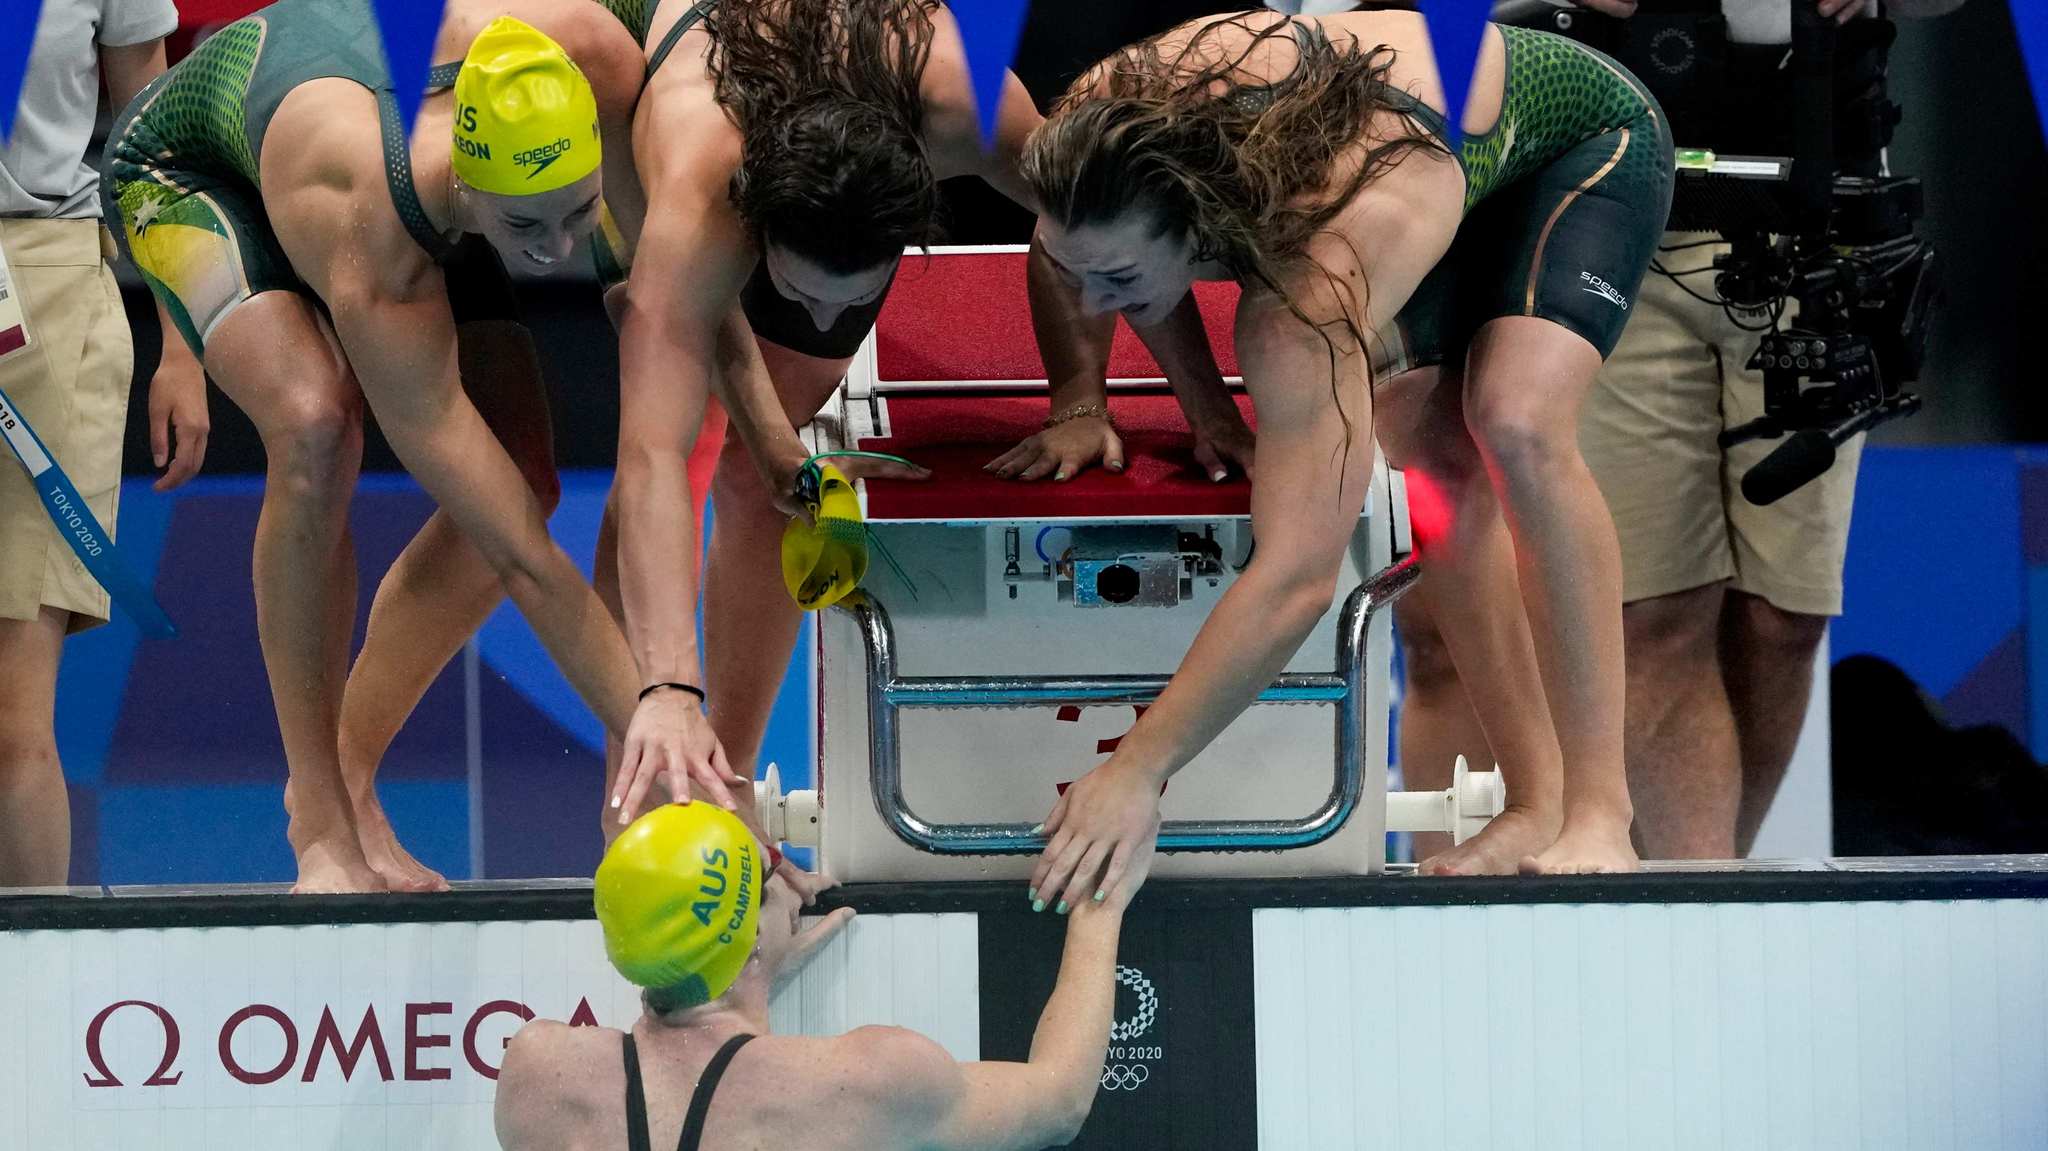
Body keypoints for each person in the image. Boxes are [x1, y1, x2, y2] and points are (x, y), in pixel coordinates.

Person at [1012, 8, 1673, 901]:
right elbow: (1098, 255)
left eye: (1119, 282)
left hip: (1573, 137)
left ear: (1202, 227)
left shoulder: (1306, 293)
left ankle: (1598, 811)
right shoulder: (1085, 135)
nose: (1089, 300)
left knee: (1513, 418)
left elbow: (1293, 578)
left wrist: (1138, 768)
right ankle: (1532, 801)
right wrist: (1207, 409)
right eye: (1069, 267)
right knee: (1436, 465)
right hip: (1402, 162)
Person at [101, 0, 722, 892]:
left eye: (576, 215)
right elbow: (527, 563)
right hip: (194, 168)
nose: (553, 255)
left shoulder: (584, 52)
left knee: (527, 482)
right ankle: (319, 814)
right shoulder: (383, 253)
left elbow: (681, 301)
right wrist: (675, 747)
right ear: (471, 193)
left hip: (391, 147)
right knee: (318, 428)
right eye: (525, 233)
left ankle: (351, 773)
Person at [1402, 0, 1966, 865]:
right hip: (1618, 214)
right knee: (1656, 612)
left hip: (1823, 227)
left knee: (1784, 620)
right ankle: (1685, 888)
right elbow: (1433, 27)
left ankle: (1701, 890)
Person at [584, 0, 1063, 815]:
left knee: (774, 481)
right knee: (668, 455)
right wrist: (669, 684)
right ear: (756, 232)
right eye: (797, 291)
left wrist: (1087, 400)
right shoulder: (698, 190)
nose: (814, 317)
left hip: (848, 130)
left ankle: (724, 803)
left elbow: (1109, 234)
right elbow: (650, 456)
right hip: (667, 97)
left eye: (844, 300)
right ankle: (635, 807)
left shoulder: (972, 105)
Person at [494, 800, 1146, 1150]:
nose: (790, 875)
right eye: (771, 871)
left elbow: (682, 1097)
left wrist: (740, 979)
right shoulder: (864, 1081)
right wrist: (1101, 899)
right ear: (749, 938)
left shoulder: (537, 1074)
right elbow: (1058, 1100)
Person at [0, 0, 208, 887]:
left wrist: (183, 340)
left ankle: (31, 1008)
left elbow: (151, 138)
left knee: (13, 715)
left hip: (49, 290)